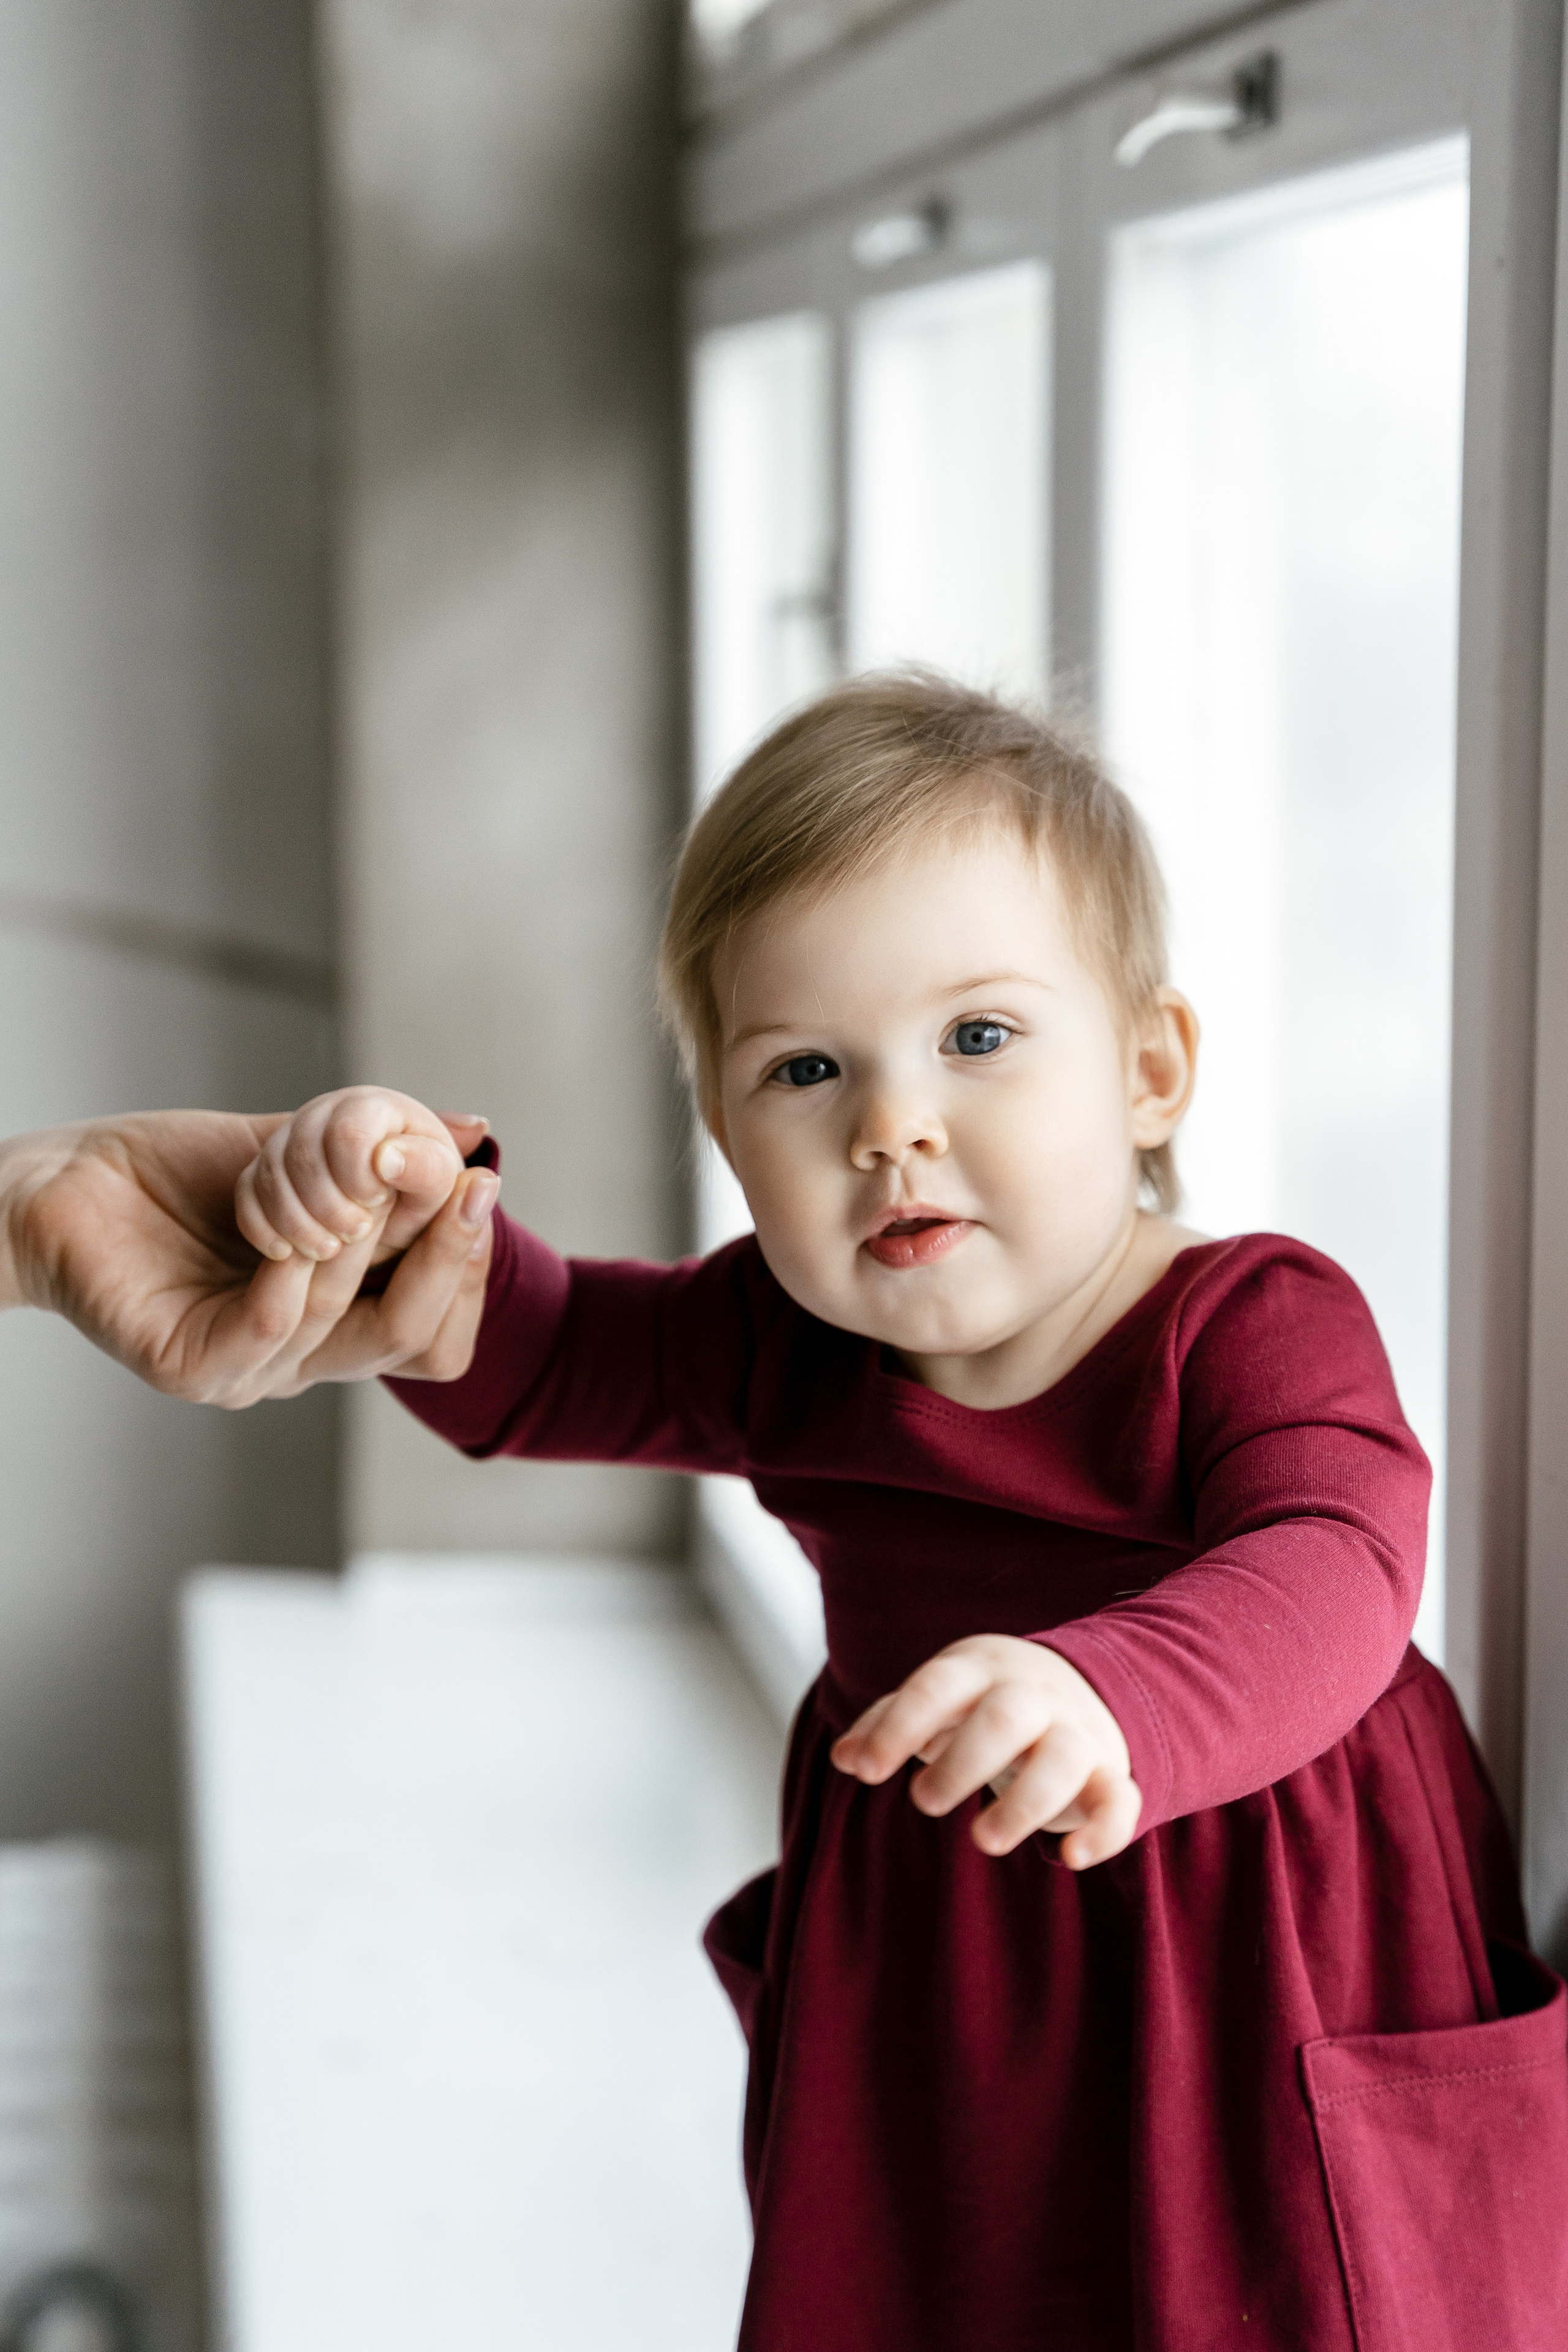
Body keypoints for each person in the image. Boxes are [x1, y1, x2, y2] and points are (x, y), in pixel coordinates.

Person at [20, 673, 1568, 2347]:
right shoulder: (791, 1335)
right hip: (955, 1975)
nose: (892, 1126)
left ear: (1150, 1070)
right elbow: (543, 1351)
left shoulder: (1248, 1320)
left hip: (1262, 1954)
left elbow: (1337, 1562)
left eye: (978, 1038)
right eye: (806, 1068)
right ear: (726, 1134)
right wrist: (387, 1209)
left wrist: (1118, 1690)